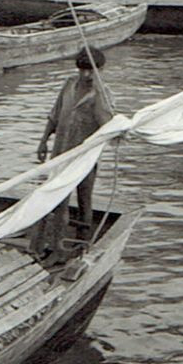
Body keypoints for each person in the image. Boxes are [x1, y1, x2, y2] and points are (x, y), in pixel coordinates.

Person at [32, 45, 115, 256]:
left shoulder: (103, 93)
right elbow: (55, 114)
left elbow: (107, 123)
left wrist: (98, 91)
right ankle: (57, 244)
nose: (86, 75)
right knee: (59, 199)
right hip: (61, 152)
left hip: (86, 156)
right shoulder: (69, 84)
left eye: (91, 70)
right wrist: (43, 141)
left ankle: (82, 244)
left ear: (100, 69)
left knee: (84, 199)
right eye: (82, 70)